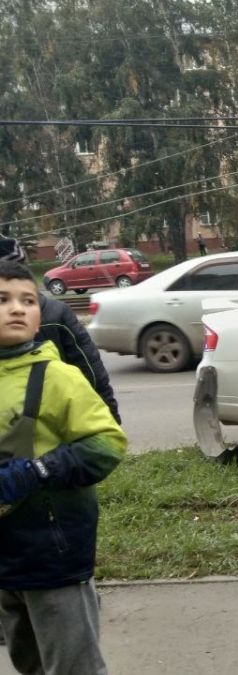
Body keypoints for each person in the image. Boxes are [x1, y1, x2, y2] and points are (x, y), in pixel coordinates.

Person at [0, 260, 126, 674]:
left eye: (28, 301)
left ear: (40, 318)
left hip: (53, 551)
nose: (17, 308)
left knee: (73, 668)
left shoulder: (58, 378)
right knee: (29, 662)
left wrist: (36, 471)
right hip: (6, 561)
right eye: (3, 300)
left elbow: (107, 445)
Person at [0, 237, 120, 423]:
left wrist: (110, 419)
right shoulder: (55, 312)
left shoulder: (55, 315)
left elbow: (90, 370)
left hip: (59, 425)